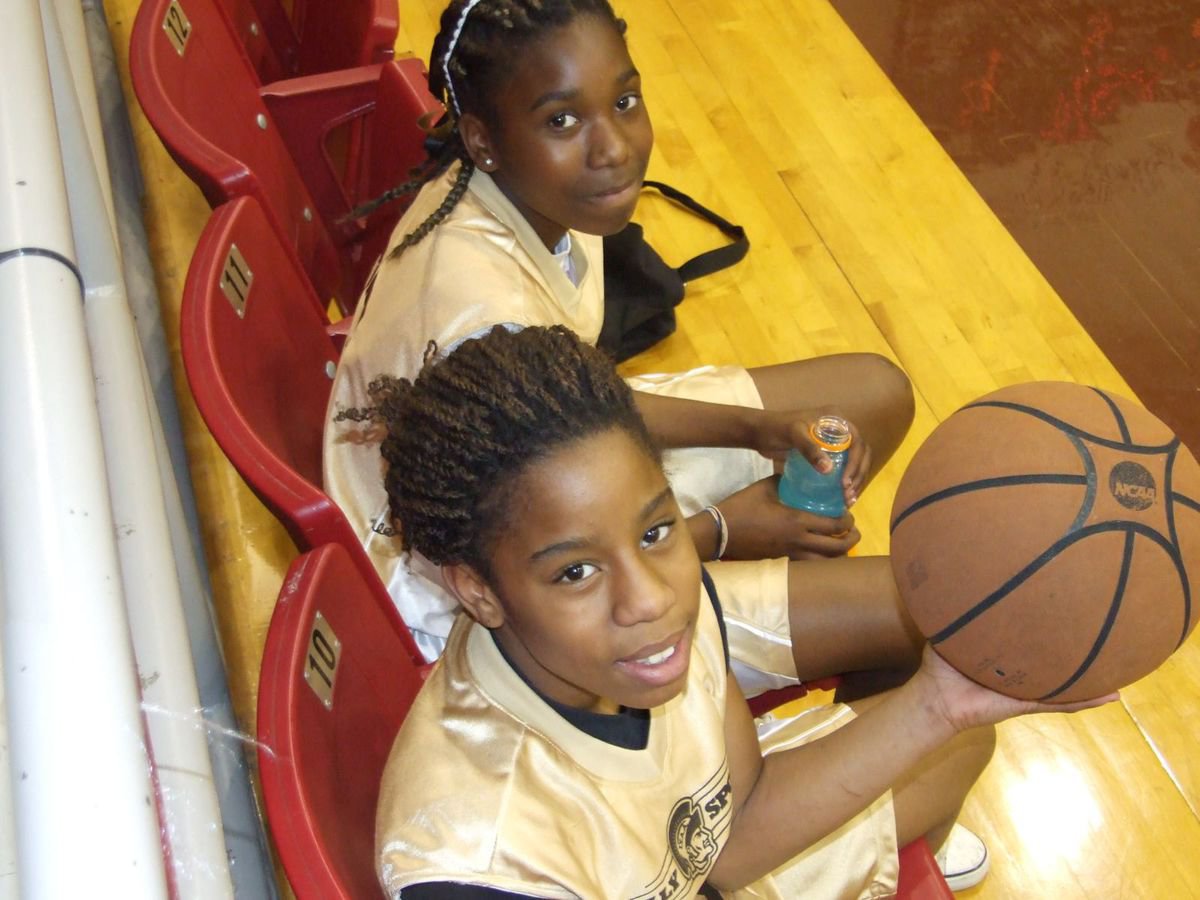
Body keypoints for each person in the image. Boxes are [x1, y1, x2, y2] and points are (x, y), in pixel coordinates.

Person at [372, 325, 1115, 898]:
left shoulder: (642, 630)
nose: (653, 598)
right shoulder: (479, 860)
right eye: (575, 571)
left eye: (656, 530)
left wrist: (943, 704)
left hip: (696, 876)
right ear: (476, 591)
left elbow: (728, 834)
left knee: (958, 748)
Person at [324, 0, 919, 696]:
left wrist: (756, 431)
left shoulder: (519, 189)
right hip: (482, 624)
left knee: (872, 394)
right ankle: (741, 774)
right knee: (913, 615)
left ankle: (783, 596)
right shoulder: (487, 321)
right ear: (484, 138)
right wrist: (725, 531)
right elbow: (548, 576)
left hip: (557, 474)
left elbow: (570, 401)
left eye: (625, 100)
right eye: (562, 120)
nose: (613, 147)